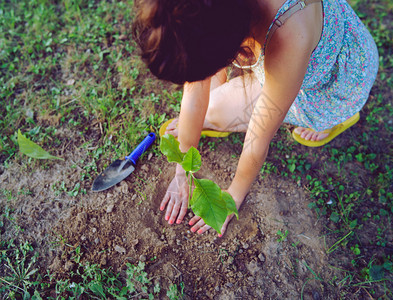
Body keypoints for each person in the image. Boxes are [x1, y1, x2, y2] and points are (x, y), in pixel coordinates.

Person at [132, 0, 378, 236]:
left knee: (215, 110)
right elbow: (195, 88)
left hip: (334, 84)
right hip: (292, 53)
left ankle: (335, 119)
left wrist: (233, 195)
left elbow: (258, 138)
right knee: (207, 108)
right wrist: (182, 170)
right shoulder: (207, 11)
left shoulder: (289, 34)